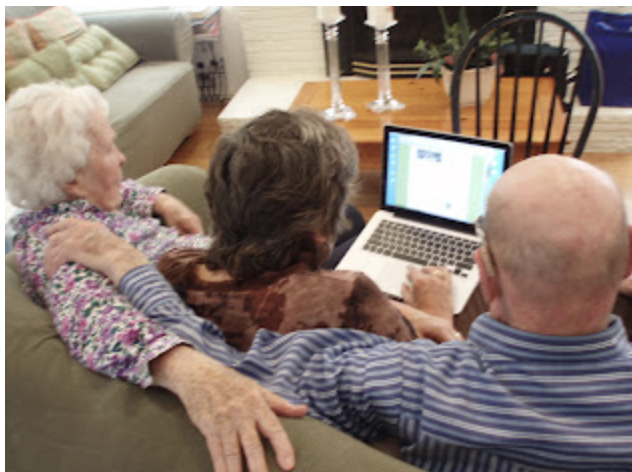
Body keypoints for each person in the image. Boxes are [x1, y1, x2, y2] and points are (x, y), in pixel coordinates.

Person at [46, 153, 632, 471]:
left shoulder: (407, 381)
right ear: (626, 261)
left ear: (486, 270)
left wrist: (126, 264)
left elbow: (223, 366)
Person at [7, 83, 456, 472]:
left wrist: (157, 199)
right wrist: (193, 372)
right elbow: (97, 321)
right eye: (108, 149)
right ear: (71, 181)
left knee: (351, 219)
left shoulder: (75, 207)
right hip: (253, 295)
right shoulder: (61, 249)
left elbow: (122, 191)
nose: (123, 158)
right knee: (345, 229)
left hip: (221, 268)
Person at [156, 108, 455, 351]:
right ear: (318, 231)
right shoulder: (348, 297)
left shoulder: (173, 269)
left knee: (352, 219)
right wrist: (434, 312)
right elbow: (430, 374)